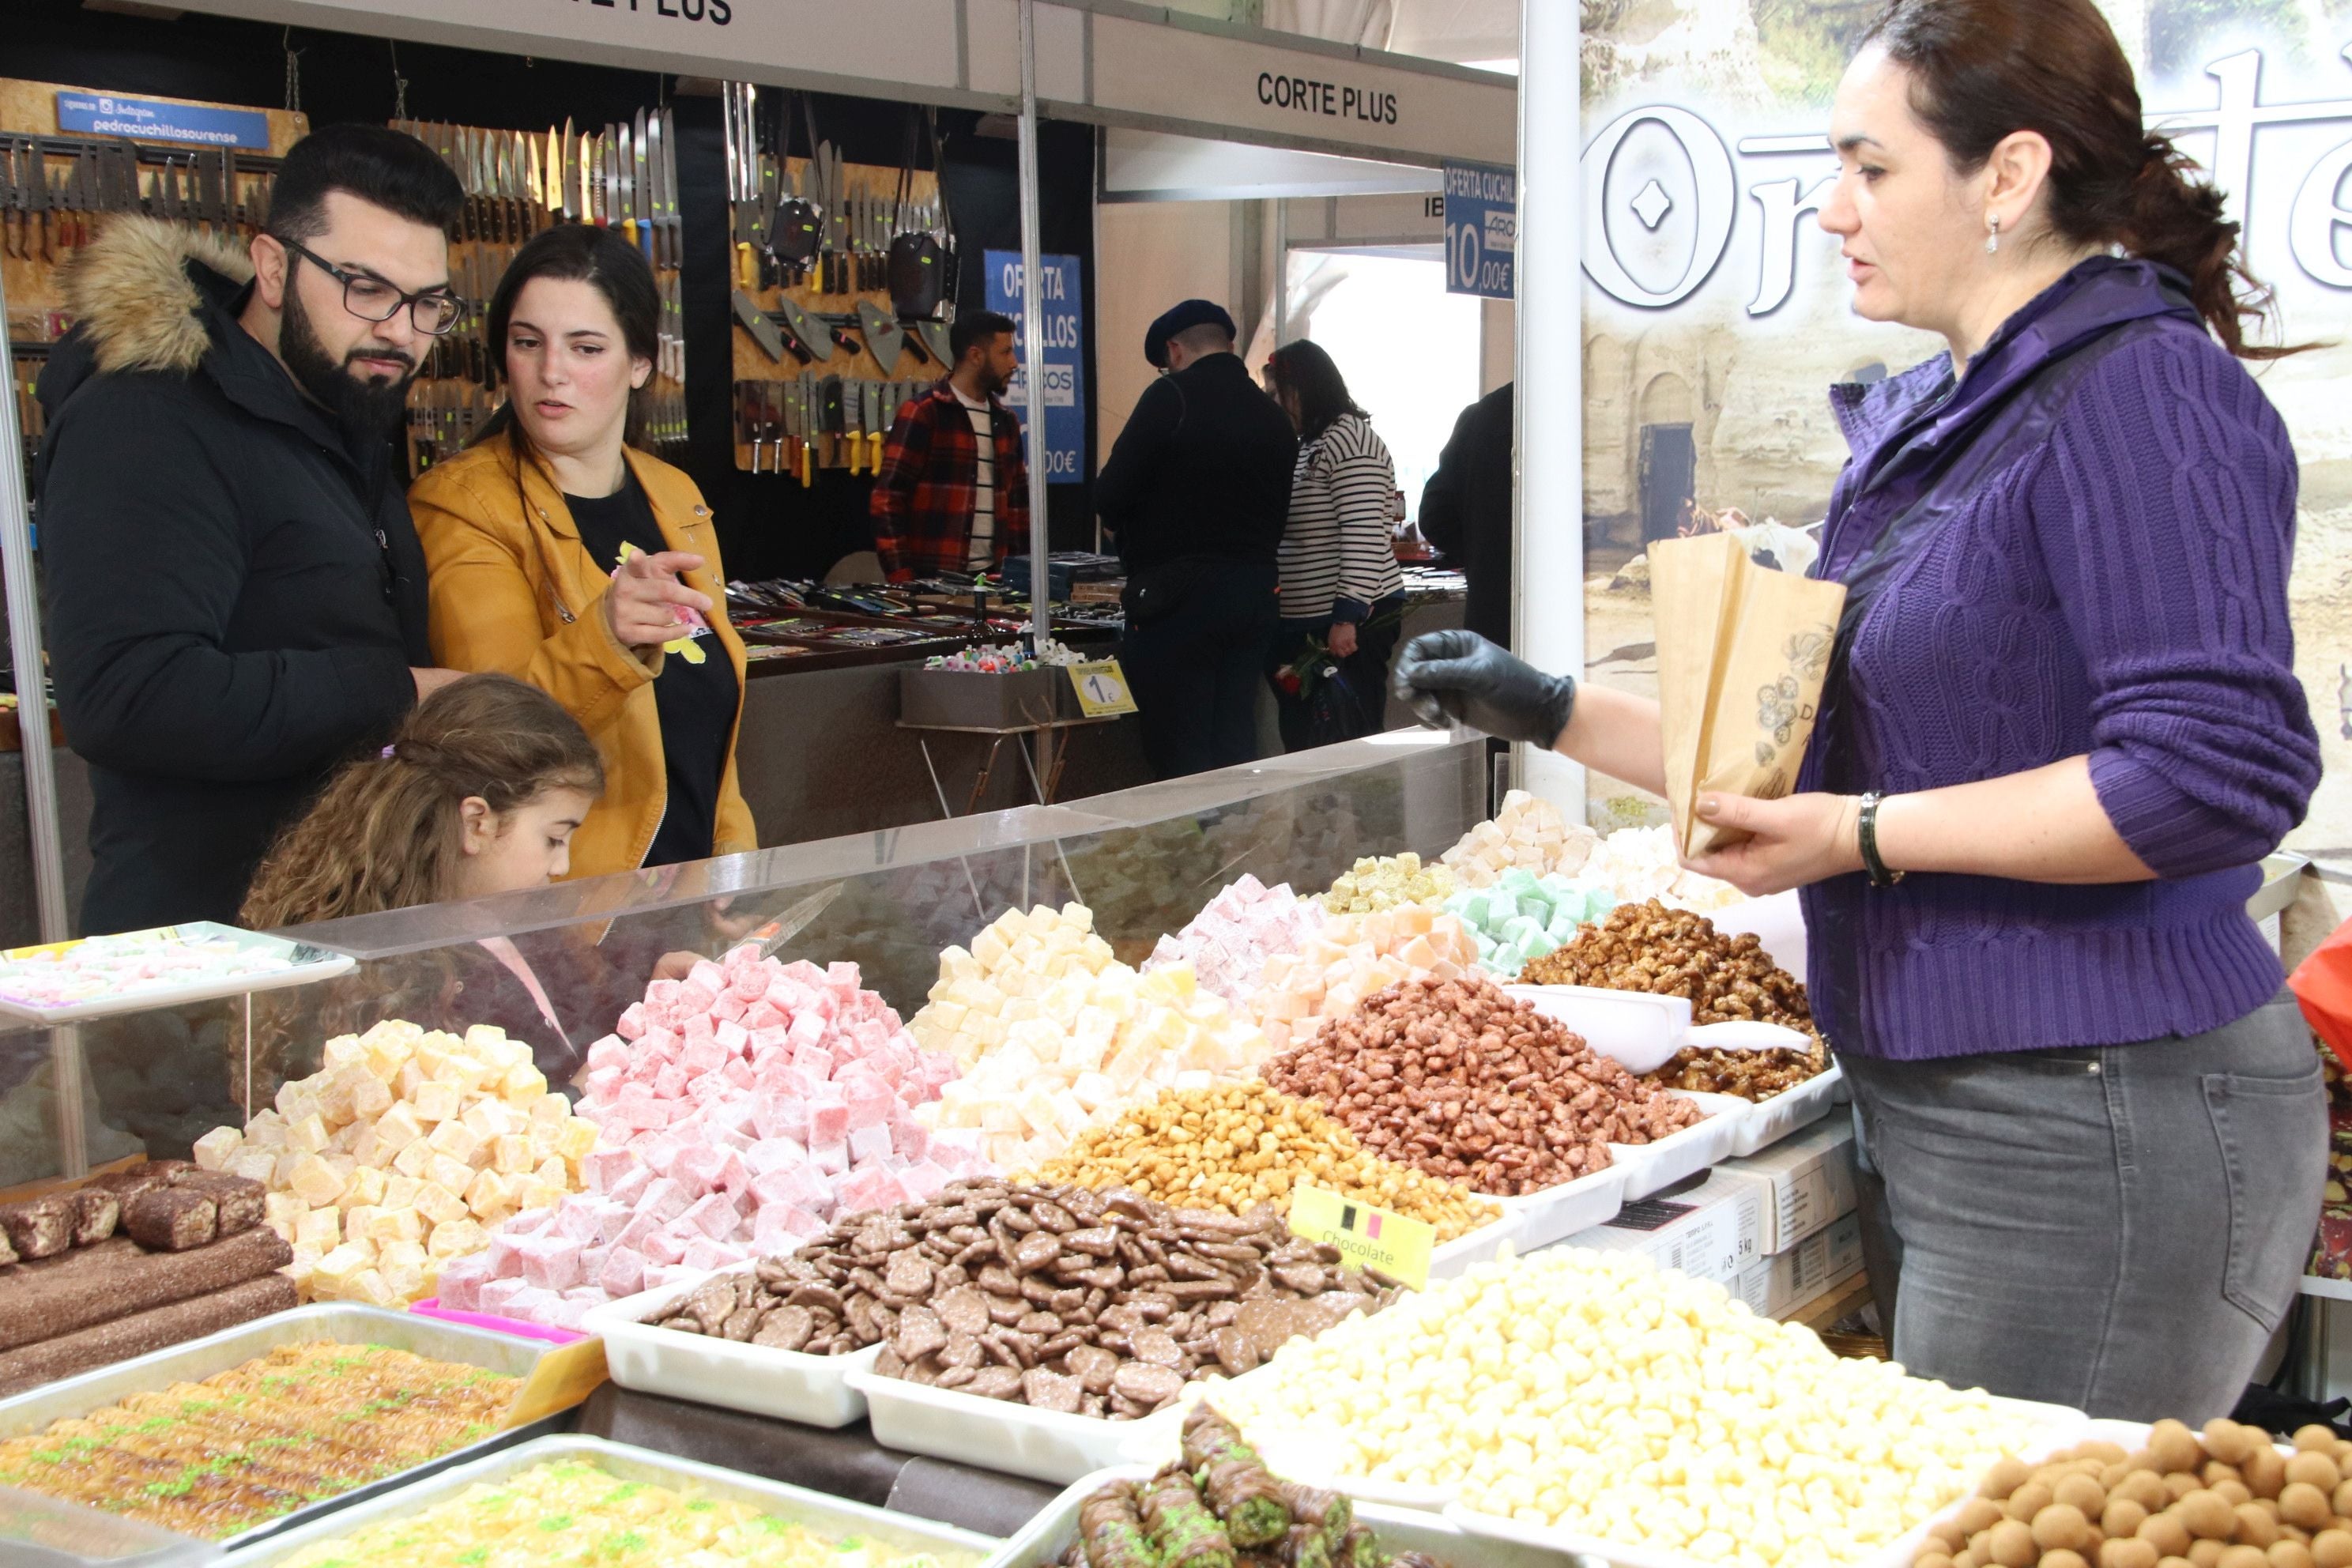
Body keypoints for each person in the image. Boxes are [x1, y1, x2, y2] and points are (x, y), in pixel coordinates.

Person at [1394, 0, 2324, 1423]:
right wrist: (1549, 704)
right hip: (1951, 1099)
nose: (1833, 210)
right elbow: (1798, 756)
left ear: (2006, 177)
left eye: (1871, 168)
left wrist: (1866, 835)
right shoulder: (1945, 418)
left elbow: (2210, 773)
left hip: (2097, 1108)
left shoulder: (2141, 394)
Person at [36, 124, 466, 934]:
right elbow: (126, 695)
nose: (401, 331)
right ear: (273, 267)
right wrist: (396, 691)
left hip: (334, 932)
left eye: (427, 303)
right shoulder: (146, 420)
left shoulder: (335, 411)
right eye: (365, 288)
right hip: (204, 957)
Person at [409, 224, 755, 880]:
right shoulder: (462, 505)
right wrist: (606, 637)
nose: (551, 372)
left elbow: (716, 740)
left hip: (688, 909)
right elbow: (491, 735)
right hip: (569, 916)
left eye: (586, 347)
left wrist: (733, 869)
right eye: (527, 343)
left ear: (642, 363)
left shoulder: (676, 498)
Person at [240, 672, 625, 1090]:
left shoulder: (519, 922)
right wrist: (572, 1100)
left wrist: (651, 986)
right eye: (554, 838)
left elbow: (579, 1013)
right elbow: (447, 1125)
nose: (562, 866)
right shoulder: (395, 980)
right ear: (477, 822)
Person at [1095, 300, 1298, 778]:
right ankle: (1235, 843)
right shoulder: (1273, 418)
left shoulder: (1171, 398)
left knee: (1178, 748)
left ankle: (1190, 852)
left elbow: (1110, 492)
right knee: (1233, 739)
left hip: (1177, 601)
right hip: (1255, 594)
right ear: (1229, 345)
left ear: (1174, 350)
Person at [1261, 341, 1406, 751]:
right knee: (1309, 742)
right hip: (1310, 621)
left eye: (1277, 395)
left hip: (1345, 626)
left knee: (1344, 740)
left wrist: (1347, 615)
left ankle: (1355, 818)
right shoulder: (1309, 444)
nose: (1273, 405)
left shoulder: (1352, 442)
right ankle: (1318, 817)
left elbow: (1363, 534)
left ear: (1302, 389)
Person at [869, 309, 1031, 582]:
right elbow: (887, 500)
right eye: (1005, 353)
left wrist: (1020, 574)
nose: (1014, 363)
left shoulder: (1006, 422)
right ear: (976, 355)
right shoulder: (924, 413)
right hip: (932, 580)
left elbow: (1017, 506)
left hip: (994, 581)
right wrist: (901, 574)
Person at [1418, 382, 1513, 650]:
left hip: (1493, 618)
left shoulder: (1482, 416)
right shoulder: (1584, 411)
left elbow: (1433, 517)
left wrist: (1483, 554)